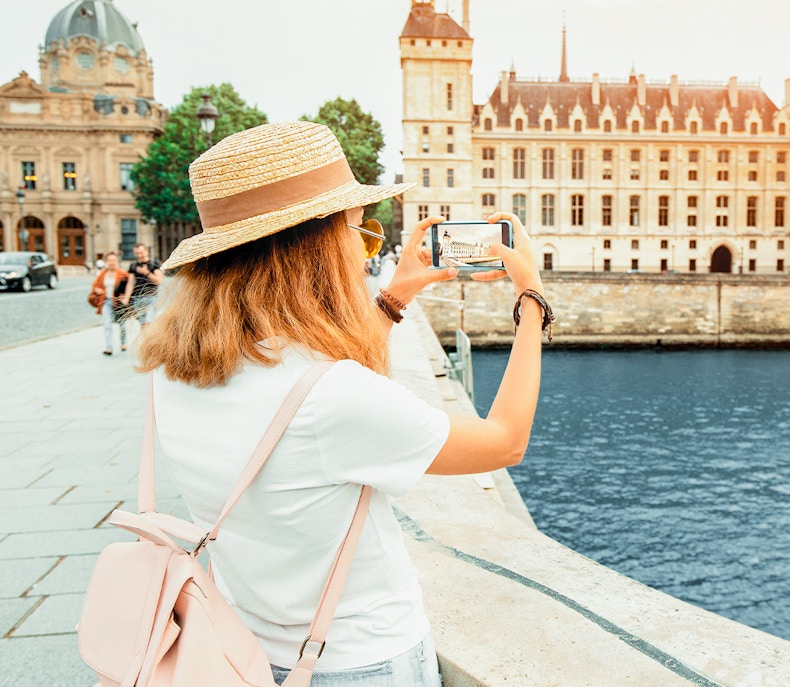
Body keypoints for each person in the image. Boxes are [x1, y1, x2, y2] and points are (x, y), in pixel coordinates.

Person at [136, 121, 548, 687]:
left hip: (240, 645)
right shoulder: (330, 399)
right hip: (357, 661)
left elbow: (323, 377)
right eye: (361, 228)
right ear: (316, 247)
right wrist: (532, 301)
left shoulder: (171, 371)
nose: (365, 244)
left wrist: (395, 296)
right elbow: (504, 441)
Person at [90, 252, 128, 355]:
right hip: (106, 301)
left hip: (119, 302)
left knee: (121, 323)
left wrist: (124, 296)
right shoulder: (103, 274)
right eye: (109, 260)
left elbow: (129, 287)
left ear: (117, 261)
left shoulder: (122, 274)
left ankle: (123, 343)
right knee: (107, 324)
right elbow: (95, 285)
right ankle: (109, 347)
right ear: (106, 262)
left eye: (113, 260)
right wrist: (98, 290)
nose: (111, 262)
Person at [121, 242, 163, 326]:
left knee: (149, 323)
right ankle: (146, 339)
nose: (139, 255)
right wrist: (126, 298)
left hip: (151, 297)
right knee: (143, 324)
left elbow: (159, 280)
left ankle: (151, 339)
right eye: (137, 253)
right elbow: (130, 283)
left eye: (141, 253)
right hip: (138, 298)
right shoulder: (133, 266)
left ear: (146, 251)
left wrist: (146, 272)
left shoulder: (154, 264)